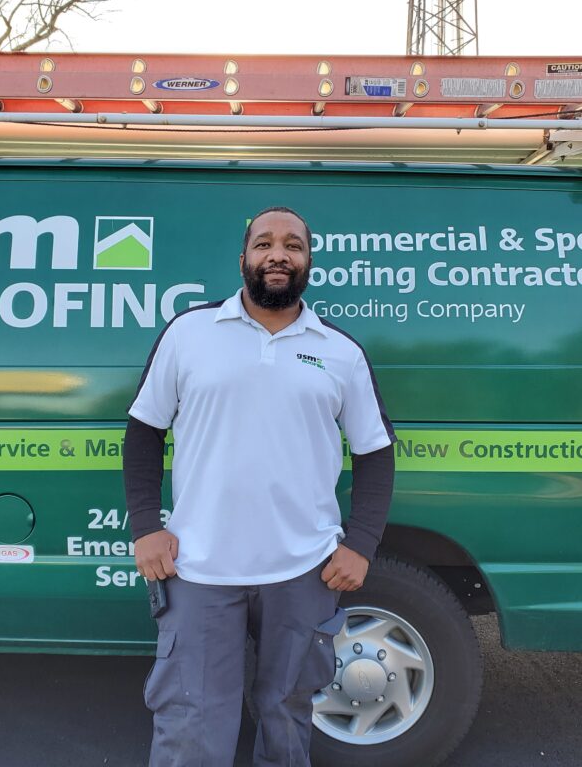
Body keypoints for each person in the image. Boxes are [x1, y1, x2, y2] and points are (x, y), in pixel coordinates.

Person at [123, 206, 395, 767]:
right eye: (265, 244)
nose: (278, 254)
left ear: (308, 262)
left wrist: (361, 544)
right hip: (198, 569)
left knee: (288, 714)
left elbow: (376, 452)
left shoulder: (340, 351)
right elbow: (144, 431)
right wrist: (147, 526)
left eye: (292, 245)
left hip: (302, 571)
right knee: (191, 722)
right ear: (243, 259)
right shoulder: (189, 333)